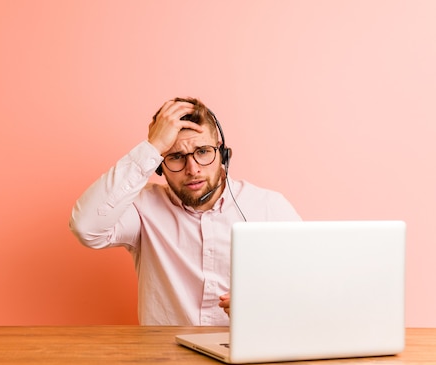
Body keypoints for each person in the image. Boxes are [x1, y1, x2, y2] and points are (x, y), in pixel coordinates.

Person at [69, 97, 301, 326]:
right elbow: (86, 227)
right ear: (159, 165)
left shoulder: (268, 206)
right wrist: (152, 147)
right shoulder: (142, 208)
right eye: (176, 157)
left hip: (246, 357)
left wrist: (266, 302)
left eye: (202, 151)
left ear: (223, 154)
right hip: (165, 360)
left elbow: (310, 286)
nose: (192, 169)